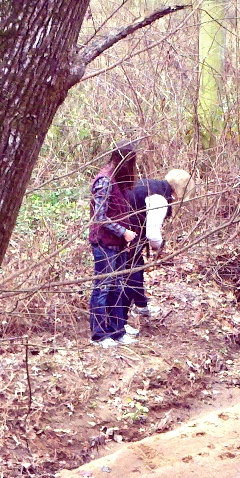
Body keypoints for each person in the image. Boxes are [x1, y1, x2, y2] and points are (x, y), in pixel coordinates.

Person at [88, 142, 139, 347]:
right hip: (104, 245)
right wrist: (123, 232)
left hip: (117, 245)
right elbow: (99, 217)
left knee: (117, 288)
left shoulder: (118, 180)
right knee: (103, 289)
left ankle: (117, 331)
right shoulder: (104, 181)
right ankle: (99, 335)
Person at [126, 168, 191, 320]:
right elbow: (152, 235)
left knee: (135, 267)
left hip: (125, 231)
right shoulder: (160, 199)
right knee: (133, 270)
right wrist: (160, 246)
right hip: (129, 234)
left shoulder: (150, 184)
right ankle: (124, 317)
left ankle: (140, 305)